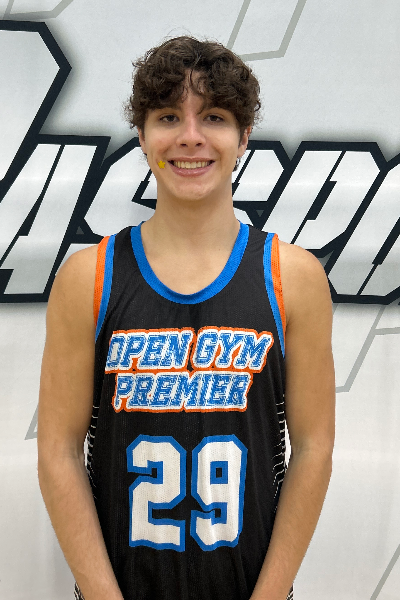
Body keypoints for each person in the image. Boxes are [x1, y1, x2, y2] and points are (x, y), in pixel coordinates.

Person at [38, 36, 335, 600]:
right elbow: (59, 450)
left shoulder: (292, 277)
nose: (190, 137)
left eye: (214, 117)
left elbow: (314, 446)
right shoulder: (89, 278)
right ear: (143, 135)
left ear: (244, 136)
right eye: (169, 116)